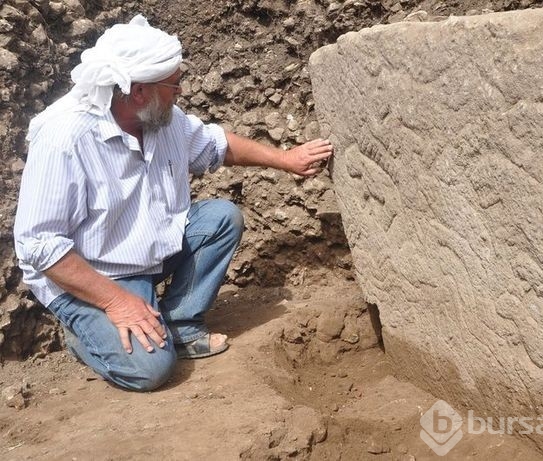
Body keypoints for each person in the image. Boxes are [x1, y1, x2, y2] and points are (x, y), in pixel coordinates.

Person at [13, 15, 332, 391]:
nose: (181, 91)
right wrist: (118, 302)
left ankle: (178, 325)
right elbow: (40, 244)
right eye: (174, 83)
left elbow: (217, 145)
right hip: (93, 275)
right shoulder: (66, 138)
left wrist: (287, 160)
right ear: (137, 92)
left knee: (219, 219)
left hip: (146, 252)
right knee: (149, 370)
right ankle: (85, 335)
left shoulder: (164, 119)